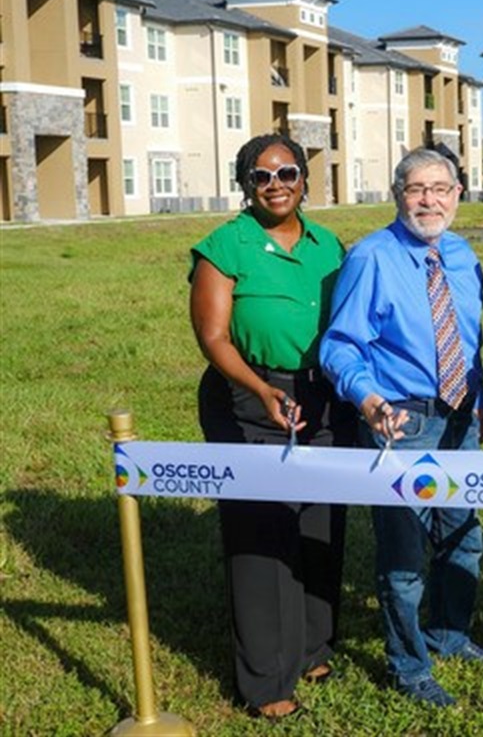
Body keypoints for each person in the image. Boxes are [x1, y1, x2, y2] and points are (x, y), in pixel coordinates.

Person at [320, 148, 483, 708]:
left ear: (458, 193)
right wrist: (367, 399)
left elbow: (471, 341)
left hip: (460, 415)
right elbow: (339, 344)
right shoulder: (371, 258)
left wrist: (481, 399)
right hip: (402, 419)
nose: (430, 200)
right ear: (398, 194)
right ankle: (409, 664)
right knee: (403, 557)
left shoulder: (464, 256)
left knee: (463, 536)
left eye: (441, 188)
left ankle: (450, 634)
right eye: (417, 189)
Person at [190, 133, 355, 719]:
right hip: (248, 394)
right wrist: (261, 391)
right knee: (262, 534)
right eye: (262, 176)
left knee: (319, 526)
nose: (277, 184)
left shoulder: (328, 244)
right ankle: (266, 683)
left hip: (324, 396)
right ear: (246, 184)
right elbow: (212, 336)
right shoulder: (224, 246)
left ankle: (314, 647)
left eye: (287, 172)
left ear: (305, 179)